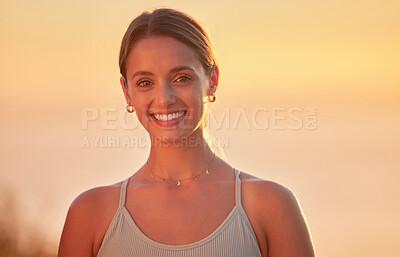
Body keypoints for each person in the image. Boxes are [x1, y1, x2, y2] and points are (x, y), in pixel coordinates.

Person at [58, 7, 316, 257]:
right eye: (145, 83)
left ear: (211, 80)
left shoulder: (271, 207)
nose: (164, 98)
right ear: (127, 92)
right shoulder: (90, 215)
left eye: (181, 78)